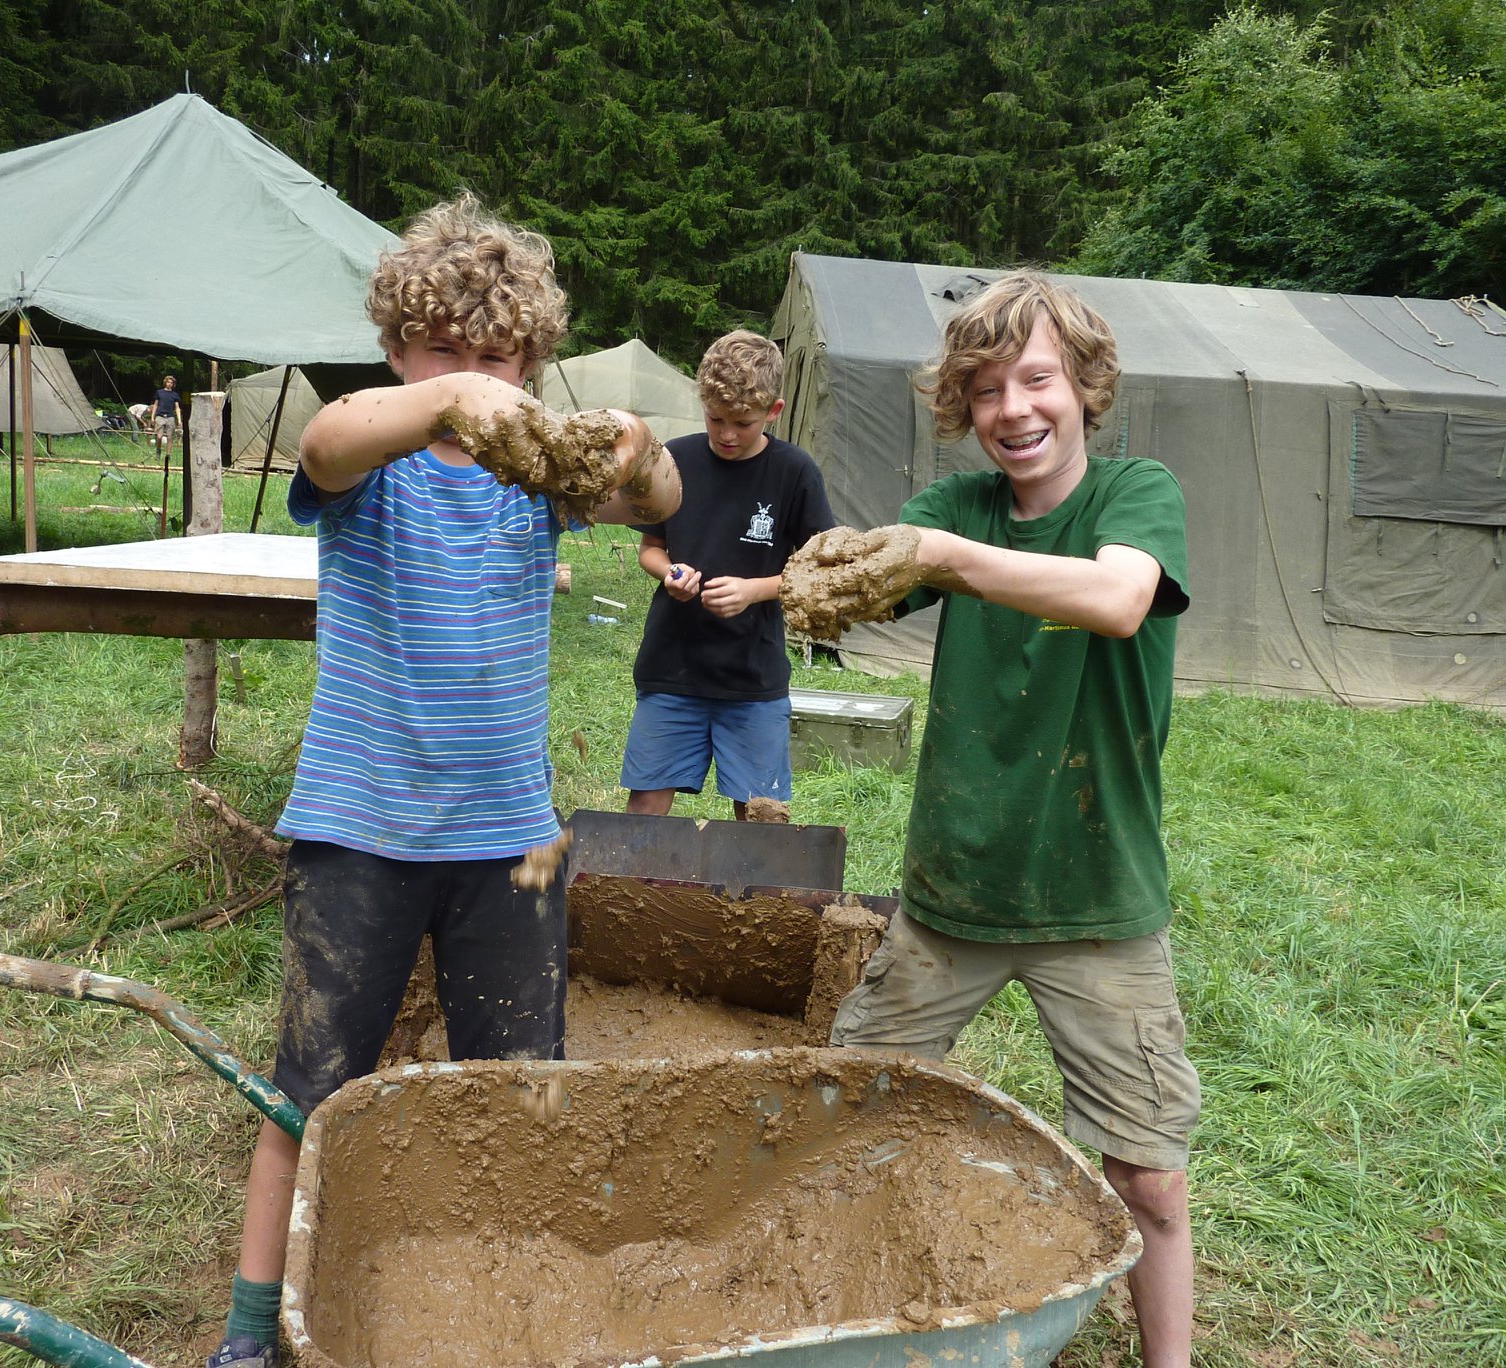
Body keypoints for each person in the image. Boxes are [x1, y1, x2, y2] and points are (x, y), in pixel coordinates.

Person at [204, 192, 678, 1368]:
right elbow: (328, 441)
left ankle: (512, 1317)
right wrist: (446, 401)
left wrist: (637, 446)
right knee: (307, 1093)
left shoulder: (539, 483)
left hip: (508, 840)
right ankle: (252, 1332)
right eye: (442, 352)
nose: (472, 377)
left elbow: (658, 502)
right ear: (396, 350)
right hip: (357, 829)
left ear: (534, 363)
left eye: (498, 357)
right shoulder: (371, 462)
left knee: (519, 1099)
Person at [820, 272, 1198, 1367]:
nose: (1014, 410)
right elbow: (860, 579)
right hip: (952, 898)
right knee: (839, 1116)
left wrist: (939, 560)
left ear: (1082, 385)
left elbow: (1120, 598)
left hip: (1098, 897)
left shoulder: (1139, 494)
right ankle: (837, 1310)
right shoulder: (952, 509)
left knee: (1152, 1177)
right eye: (984, 391)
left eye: (1036, 379)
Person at [620, 330, 835, 820]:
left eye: (743, 422)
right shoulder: (676, 458)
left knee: (759, 815)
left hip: (752, 679)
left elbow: (820, 570)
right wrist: (670, 573)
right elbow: (651, 548)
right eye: (716, 419)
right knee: (647, 808)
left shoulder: (794, 472)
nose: (727, 434)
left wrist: (755, 590)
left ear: (774, 412)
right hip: (672, 669)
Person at [151, 374, 182, 446]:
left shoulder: (175, 394)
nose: (170, 384)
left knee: (169, 437)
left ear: (173, 384)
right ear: (165, 383)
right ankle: (158, 450)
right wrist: (152, 417)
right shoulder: (159, 392)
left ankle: (168, 455)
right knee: (159, 437)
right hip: (160, 415)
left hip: (170, 416)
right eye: (168, 382)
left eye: (171, 383)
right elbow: (155, 405)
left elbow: (177, 407)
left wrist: (179, 420)